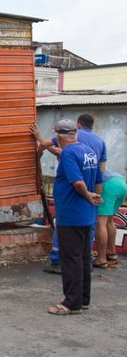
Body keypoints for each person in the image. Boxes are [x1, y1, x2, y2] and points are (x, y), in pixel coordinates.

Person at [30, 113, 107, 274]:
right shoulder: (97, 144)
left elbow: (53, 148)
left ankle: (58, 261)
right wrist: (94, 196)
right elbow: (101, 173)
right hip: (91, 197)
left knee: (65, 227)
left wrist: (38, 138)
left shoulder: (69, 151)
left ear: (78, 126)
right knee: (89, 229)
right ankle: (87, 261)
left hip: (73, 200)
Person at [47, 119, 102, 315]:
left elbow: (78, 183)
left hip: (71, 214)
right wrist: (94, 199)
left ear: (59, 136)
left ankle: (71, 303)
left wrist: (87, 195)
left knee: (71, 259)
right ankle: (83, 299)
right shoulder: (88, 151)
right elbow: (98, 179)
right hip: (87, 214)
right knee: (84, 258)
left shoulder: (69, 153)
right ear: (75, 133)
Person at [93, 169, 127, 268]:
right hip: (121, 182)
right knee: (109, 220)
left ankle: (101, 259)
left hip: (108, 185)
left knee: (101, 222)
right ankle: (111, 253)